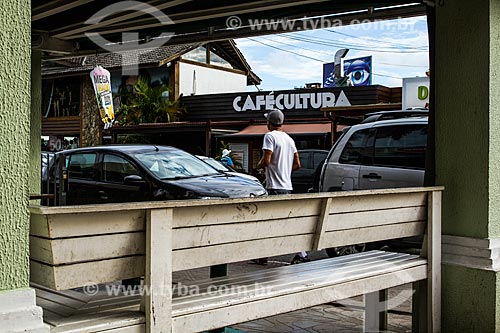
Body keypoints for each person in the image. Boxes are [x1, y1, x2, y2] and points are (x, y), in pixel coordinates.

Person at [254, 109, 310, 265]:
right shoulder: (289, 139)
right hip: (287, 187)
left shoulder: (269, 136)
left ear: (269, 123)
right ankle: (267, 255)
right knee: (282, 222)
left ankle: (301, 254)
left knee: (270, 222)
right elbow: (297, 164)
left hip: (274, 188)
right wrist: (284, 170)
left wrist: (257, 167)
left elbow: (266, 159)